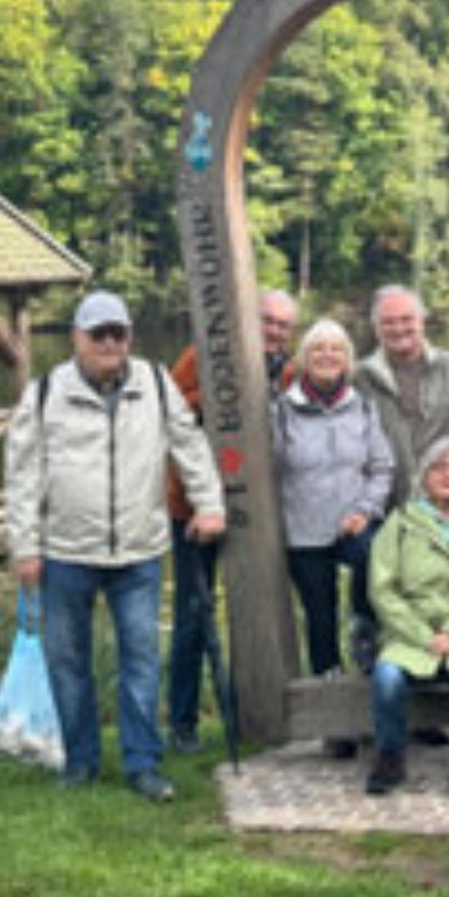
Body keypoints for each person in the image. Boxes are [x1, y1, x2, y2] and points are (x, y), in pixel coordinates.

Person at [4, 290, 225, 802]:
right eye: (98, 333)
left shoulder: (155, 383)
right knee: (68, 663)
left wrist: (209, 504)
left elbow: (190, 445)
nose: (109, 343)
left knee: (142, 661)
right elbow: (22, 475)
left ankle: (143, 763)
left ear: (129, 337)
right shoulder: (44, 393)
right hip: (65, 552)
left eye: (118, 333)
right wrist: (25, 547)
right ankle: (80, 762)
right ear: (76, 338)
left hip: (139, 551)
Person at [165, 289, 298, 755]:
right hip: (193, 507)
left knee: (264, 609)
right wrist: (230, 390)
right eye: (267, 320)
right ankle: (182, 723)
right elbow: (172, 409)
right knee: (192, 614)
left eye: (283, 325)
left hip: (255, 511)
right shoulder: (204, 354)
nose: (273, 331)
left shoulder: (288, 371)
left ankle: (266, 711)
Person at [272, 318, 395, 756]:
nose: (327, 356)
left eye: (336, 349)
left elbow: (382, 467)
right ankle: (334, 722)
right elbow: (268, 468)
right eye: (318, 349)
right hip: (304, 529)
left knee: (373, 576)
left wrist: (366, 510)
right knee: (320, 620)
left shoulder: (362, 407)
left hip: (353, 524)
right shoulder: (281, 410)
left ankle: (370, 679)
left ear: (348, 360)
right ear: (304, 359)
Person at [364, 438, 449, 797]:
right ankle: (390, 754)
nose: (447, 475)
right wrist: (423, 635)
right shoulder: (400, 523)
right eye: (438, 468)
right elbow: (382, 588)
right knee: (387, 678)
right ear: (424, 477)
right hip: (410, 634)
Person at [354, 285, 449, 509]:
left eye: (407, 319)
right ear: (375, 327)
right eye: (388, 322)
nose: (398, 329)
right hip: (382, 509)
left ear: (422, 321)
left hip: (445, 508)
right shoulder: (359, 378)